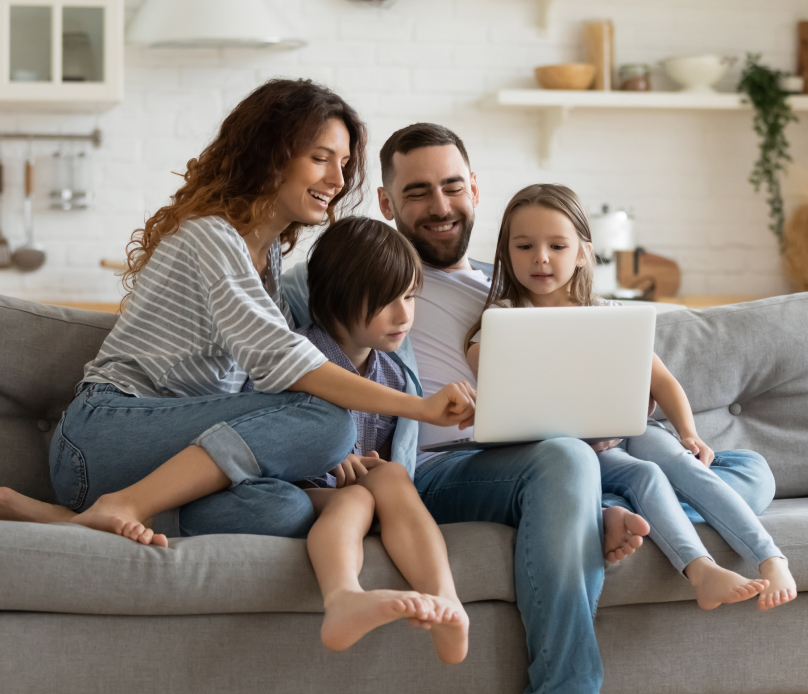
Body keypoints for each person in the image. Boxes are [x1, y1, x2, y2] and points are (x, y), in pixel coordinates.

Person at [362, 122, 778, 694]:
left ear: (475, 189)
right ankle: (567, 683)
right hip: (450, 466)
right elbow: (315, 352)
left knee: (749, 472)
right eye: (417, 192)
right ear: (386, 202)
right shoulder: (373, 280)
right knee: (568, 458)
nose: (441, 205)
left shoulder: (509, 282)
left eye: (452, 186)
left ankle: (603, 508)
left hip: (560, 456)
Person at [0, 80, 475, 550]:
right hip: (105, 437)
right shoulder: (211, 238)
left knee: (284, 509)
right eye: (320, 157)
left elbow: (264, 391)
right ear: (269, 154)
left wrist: (330, 460)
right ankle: (122, 505)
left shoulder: (267, 261)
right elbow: (283, 362)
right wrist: (419, 406)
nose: (337, 180)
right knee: (329, 423)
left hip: (171, 456)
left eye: (344, 163)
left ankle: (80, 517)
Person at [463, 183, 796, 613]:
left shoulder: (609, 315)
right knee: (647, 476)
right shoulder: (505, 321)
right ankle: (700, 569)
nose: (540, 257)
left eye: (557, 245)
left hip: (631, 429)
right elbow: (484, 366)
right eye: (524, 246)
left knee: (682, 462)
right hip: (578, 452)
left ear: (582, 252)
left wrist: (689, 433)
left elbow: (665, 383)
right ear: (506, 253)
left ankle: (772, 558)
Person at [265, 215, 468, 662]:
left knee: (393, 476)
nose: (404, 315)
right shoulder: (299, 357)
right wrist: (321, 455)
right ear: (335, 300)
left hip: (369, 493)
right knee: (355, 500)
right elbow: (261, 432)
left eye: (410, 297)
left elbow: (388, 459)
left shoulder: (393, 372)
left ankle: (446, 600)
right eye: (386, 302)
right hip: (300, 490)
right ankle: (344, 597)